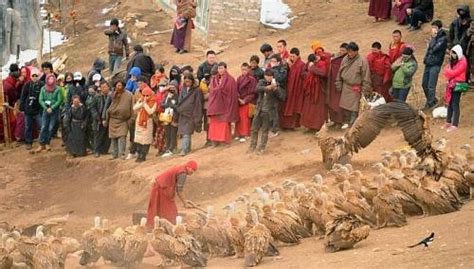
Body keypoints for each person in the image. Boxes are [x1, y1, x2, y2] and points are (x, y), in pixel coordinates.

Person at [146, 160, 198, 226]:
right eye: (193, 170)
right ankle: (170, 227)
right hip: (162, 188)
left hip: (161, 186)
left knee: (160, 209)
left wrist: (185, 201)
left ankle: (160, 225)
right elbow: (179, 190)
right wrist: (185, 203)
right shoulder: (183, 173)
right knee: (170, 211)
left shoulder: (181, 169)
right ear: (188, 168)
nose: (192, 172)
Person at [335, 42, 371, 129]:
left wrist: (365, 89)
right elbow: (340, 72)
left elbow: (366, 76)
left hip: (356, 87)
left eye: (351, 52)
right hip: (346, 85)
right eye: (348, 52)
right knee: (345, 105)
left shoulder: (362, 61)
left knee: (354, 107)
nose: (349, 54)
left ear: (356, 51)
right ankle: (347, 121)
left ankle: (353, 123)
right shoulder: (345, 59)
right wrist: (338, 83)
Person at [249, 69, 285, 154]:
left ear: (272, 77)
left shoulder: (276, 84)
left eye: (270, 76)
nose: (268, 78)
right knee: (254, 129)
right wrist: (266, 88)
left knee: (265, 130)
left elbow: (282, 97)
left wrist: (275, 88)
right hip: (259, 109)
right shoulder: (262, 82)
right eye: (267, 76)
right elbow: (257, 89)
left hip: (268, 110)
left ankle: (262, 147)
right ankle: (252, 146)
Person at [207, 62, 239, 146]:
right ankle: (215, 141)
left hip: (226, 105)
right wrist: (217, 90)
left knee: (224, 123)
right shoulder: (214, 79)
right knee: (214, 124)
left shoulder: (230, 79)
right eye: (219, 68)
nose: (220, 70)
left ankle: (225, 141)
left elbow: (232, 93)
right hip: (216, 105)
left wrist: (219, 90)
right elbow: (211, 91)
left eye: (222, 68)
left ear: (225, 68)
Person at [301, 46, 331, 132]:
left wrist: (313, 69)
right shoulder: (309, 63)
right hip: (310, 90)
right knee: (308, 109)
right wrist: (309, 75)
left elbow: (323, 73)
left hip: (319, 90)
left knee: (318, 110)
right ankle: (310, 126)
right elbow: (303, 73)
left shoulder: (321, 63)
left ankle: (318, 127)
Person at [422, 20, 448, 109]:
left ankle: (430, 103)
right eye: (432, 27)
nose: (433, 29)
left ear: (439, 28)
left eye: (435, 27)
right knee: (424, 84)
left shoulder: (443, 38)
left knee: (431, 85)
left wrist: (433, 39)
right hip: (428, 62)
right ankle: (431, 99)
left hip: (436, 63)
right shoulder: (434, 38)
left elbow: (434, 48)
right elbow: (429, 50)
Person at [442, 45, 468, 132]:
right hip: (451, 84)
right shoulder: (453, 61)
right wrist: (449, 72)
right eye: (452, 53)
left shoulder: (463, 62)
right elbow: (447, 70)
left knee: (455, 104)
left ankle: (455, 124)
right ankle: (448, 121)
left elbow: (453, 73)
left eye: (454, 53)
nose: (452, 55)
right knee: (449, 103)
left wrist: (448, 72)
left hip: (458, 84)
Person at [176, 73, 203, 156]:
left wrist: (197, 117)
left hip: (191, 114)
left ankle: (184, 150)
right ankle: (187, 148)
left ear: (192, 81)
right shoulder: (183, 89)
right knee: (185, 132)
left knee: (187, 132)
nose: (187, 83)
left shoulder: (197, 90)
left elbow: (198, 104)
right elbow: (180, 101)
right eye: (185, 81)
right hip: (182, 114)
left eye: (189, 81)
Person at [36, 74, 62, 153]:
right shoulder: (43, 89)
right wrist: (46, 108)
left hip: (54, 111)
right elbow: (41, 99)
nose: (51, 80)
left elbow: (59, 100)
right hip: (45, 110)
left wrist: (52, 107)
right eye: (49, 79)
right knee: (44, 126)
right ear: (47, 80)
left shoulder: (57, 89)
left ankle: (47, 142)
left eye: (52, 79)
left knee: (51, 127)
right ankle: (41, 144)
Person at [280, 47, 305, 130]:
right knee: (287, 106)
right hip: (290, 88)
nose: (292, 58)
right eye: (290, 56)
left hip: (297, 89)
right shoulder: (290, 64)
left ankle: (293, 126)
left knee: (294, 108)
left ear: (298, 56)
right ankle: (286, 125)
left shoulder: (301, 64)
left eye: (293, 56)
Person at [107, 80, 133, 160]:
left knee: (122, 137)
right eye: (117, 86)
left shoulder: (129, 95)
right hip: (113, 118)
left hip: (123, 119)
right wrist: (105, 118)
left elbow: (132, 107)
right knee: (113, 137)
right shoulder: (112, 95)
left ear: (123, 86)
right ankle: (114, 154)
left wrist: (132, 118)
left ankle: (122, 154)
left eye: (120, 85)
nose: (118, 87)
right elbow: (107, 106)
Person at [20, 68, 44, 150]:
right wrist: (22, 108)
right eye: (33, 76)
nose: (34, 77)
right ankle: (28, 142)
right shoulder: (27, 85)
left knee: (41, 126)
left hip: (38, 109)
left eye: (36, 75)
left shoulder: (41, 85)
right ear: (30, 76)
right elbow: (23, 96)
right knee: (28, 127)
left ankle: (42, 142)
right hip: (28, 109)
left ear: (38, 76)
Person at [133, 81, 157, 162]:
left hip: (148, 121)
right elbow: (134, 108)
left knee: (146, 139)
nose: (146, 97)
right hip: (139, 121)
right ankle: (139, 154)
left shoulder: (154, 101)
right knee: (138, 139)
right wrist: (142, 102)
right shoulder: (141, 99)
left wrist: (145, 104)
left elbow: (150, 111)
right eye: (144, 95)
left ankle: (143, 155)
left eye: (147, 95)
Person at [327, 43, 348, 128]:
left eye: (343, 50)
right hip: (332, 83)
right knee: (332, 102)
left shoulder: (347, 60)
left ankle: (340, 122)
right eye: (341, 50)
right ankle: (334, 121)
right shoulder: (335, 58)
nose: (341, 52)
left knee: (339, 103)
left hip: (341, 85)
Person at [449, 5, 472, 81]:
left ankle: (465, 80)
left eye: (463, 11)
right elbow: (451, 34)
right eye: (460, 11)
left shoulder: (471, 23)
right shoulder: (455, 22)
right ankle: (454, 79)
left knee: (465, 64)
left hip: (467, 48)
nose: (461, 13)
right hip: (456, 46)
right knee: (454, 63)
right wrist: (450, 45)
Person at [235, 63, 257, 141]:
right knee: (238, 118)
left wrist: (244, 100)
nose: (243, 71)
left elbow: (253, 93)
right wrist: (238, 98)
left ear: (248, 70)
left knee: (245, 118)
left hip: (248, 102)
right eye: (242, 69)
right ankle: (238, 134)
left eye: (245, 69)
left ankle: (245, 134)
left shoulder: (252, 79)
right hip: (239, 101)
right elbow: (236, 89)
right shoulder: (239, 78)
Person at [269, 54, 288, 137]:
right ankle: (273, 127)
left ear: (278, 62)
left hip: (280, 90)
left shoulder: (283, 68)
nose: (272, 63)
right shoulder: (270, 68)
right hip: (272, 90)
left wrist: (274, 69)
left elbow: (281, 78)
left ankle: (275, 130)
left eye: (274, 61)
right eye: (271, 61)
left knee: (275, 109)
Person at [91, 81, 112, 157]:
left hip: (108, 119)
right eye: (102, 87)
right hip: (98, 119)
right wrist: (97, 117)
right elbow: (92, 108)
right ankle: (96, 151)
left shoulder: (111, 96)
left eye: (105, 87)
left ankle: (104, 150)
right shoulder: (97, 97)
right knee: (98, 136)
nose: (104, 89)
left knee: (107, 136)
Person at [161, 81, 179, 157]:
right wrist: (167, 103)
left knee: (173, 134)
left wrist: (172, 105)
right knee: (167, 134)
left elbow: (178, 107)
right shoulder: (166, 96)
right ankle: (168, 148)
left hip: (174, 117)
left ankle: (172, 148)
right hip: (166, 117)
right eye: (170, 88)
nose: (171, 90)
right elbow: (162, 104)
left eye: (173, 88)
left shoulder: (178, 96)